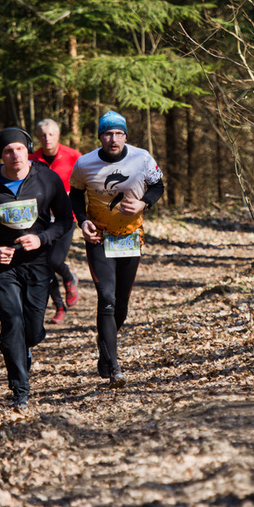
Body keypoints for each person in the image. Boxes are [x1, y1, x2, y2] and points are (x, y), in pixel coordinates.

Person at [0, 127, 73, 408]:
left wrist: (41, 238)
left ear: (28, 150)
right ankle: (20, 389)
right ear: (0, 155)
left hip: (37, 262)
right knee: (12, 321)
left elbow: (64, 220)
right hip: (2, 265)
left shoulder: (47, 179)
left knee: (32, 329)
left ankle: (29, 343)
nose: (15, 155)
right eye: (7, 151)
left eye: (20, 149)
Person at [69, 111, 164, 388]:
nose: (113, 139)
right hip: (99, 237)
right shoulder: (85, 163)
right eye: (108, 134)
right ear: (100, 137)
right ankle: (114, 366)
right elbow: (75, 194)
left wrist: (143, 203)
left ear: (125, 136)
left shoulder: (142, 158)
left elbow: (158, 186)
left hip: (130, 236)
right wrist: (83, 221)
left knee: (121, 305)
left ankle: (104, 346)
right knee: (106, 299)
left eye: (118, 133)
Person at [31, 119, 83, 325]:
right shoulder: (31, 159)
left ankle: (69, 276)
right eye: (43, 135)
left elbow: (85, 184)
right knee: (44, 265)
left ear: (58, 136)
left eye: (51, 134)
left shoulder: (73, 156)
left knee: (54, 261)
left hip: (64, 218)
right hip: (40, 220)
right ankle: (59, 307)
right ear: (38, 137)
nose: (47, 139)